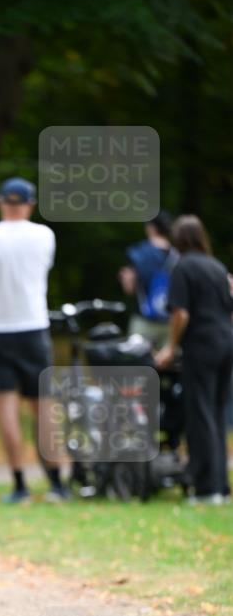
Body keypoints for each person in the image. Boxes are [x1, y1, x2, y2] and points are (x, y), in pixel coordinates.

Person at [0, 177, 66, 504]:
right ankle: (56, 483)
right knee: (44, 409)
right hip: (34, 328)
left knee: (6, 411)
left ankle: (20, 485)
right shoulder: (44, 236)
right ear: (30, 204)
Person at [155, 215, 233, 504]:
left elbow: (181, 313)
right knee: (215, 415)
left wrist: (170, 347)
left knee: (199, 416)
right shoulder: (217, 266)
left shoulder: (183, 267)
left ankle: (205, 488)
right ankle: (221, 487)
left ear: (179, 240)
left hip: (201, 345)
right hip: (226, 342)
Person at [119, 211, 179, 347]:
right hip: (171, 323)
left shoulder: (138, 252)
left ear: (151, 227)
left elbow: (129, 289)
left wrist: (125, 278)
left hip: (143, 321)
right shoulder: (178, 256)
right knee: (168, 366)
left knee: (138, 365)